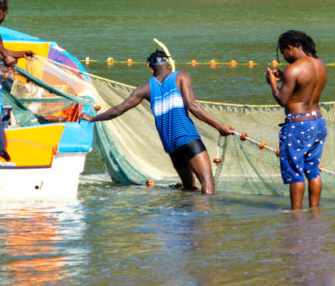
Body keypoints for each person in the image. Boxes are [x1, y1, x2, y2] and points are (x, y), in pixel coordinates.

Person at [86, 49, 233, 194]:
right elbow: (192, 106)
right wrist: (219, 126)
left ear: (150, 68)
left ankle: (186, 217)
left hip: (171, 145)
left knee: (187, 189)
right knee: (207, 183)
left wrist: (92, 118)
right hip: (187, 137)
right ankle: (206, 217)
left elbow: (118, 109)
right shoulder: (181, 76)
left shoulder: (145, 88)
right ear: (169, 65)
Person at [265, 30, 328, 210]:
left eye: (283, 52)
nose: (284, 57)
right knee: (313, 170)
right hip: (318, 121)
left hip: (298, 124)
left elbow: (282, 100)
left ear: (290, 47)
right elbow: (303, 89)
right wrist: (283, 79)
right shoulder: (320, 65)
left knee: (295, 172)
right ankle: (315, 210)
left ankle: (296, 215)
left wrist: (272, 82)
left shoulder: (293, 69)